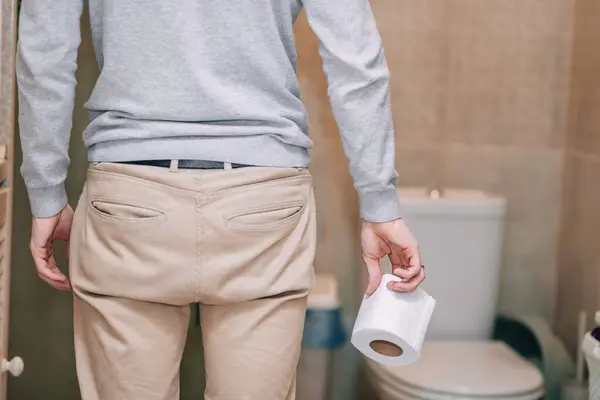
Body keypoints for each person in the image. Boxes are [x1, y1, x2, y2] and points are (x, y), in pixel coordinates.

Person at [16, 0, 425, 399]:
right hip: (264, 203)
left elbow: (45, 50)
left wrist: (46, 192)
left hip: (130, 199)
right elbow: (355, 59)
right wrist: (379, 203)